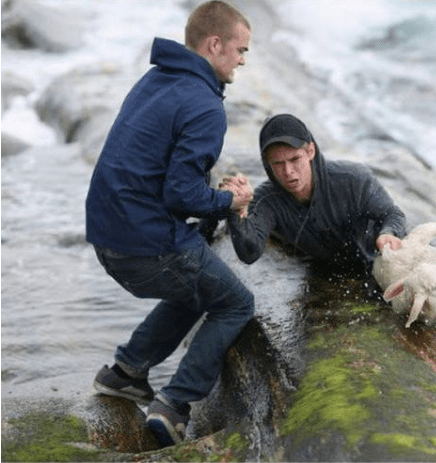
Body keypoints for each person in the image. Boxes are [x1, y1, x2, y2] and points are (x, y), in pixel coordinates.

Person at [86, 1, 254, 447]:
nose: (242, 60)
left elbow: (161, 176)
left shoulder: (156, 79)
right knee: (235, 302)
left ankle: (125, 372)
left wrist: (204, 203)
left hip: (107, 238)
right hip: (145, 244)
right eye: (240, 50)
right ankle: (174, 404)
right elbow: (181, 194)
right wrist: (228, 200)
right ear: (214, 44)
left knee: (197, 283)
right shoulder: (205, 104)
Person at [225, 113, 406, 279]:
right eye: (278, 163)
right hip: (325, 271)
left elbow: (393, 214)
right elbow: (249, 253)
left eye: (295, 159)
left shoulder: (354, 179)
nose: (288, 171)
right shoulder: (266, 199)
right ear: (267, 163)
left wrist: (389, 233)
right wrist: (236, 211)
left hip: (376, 262)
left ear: (310, 151)